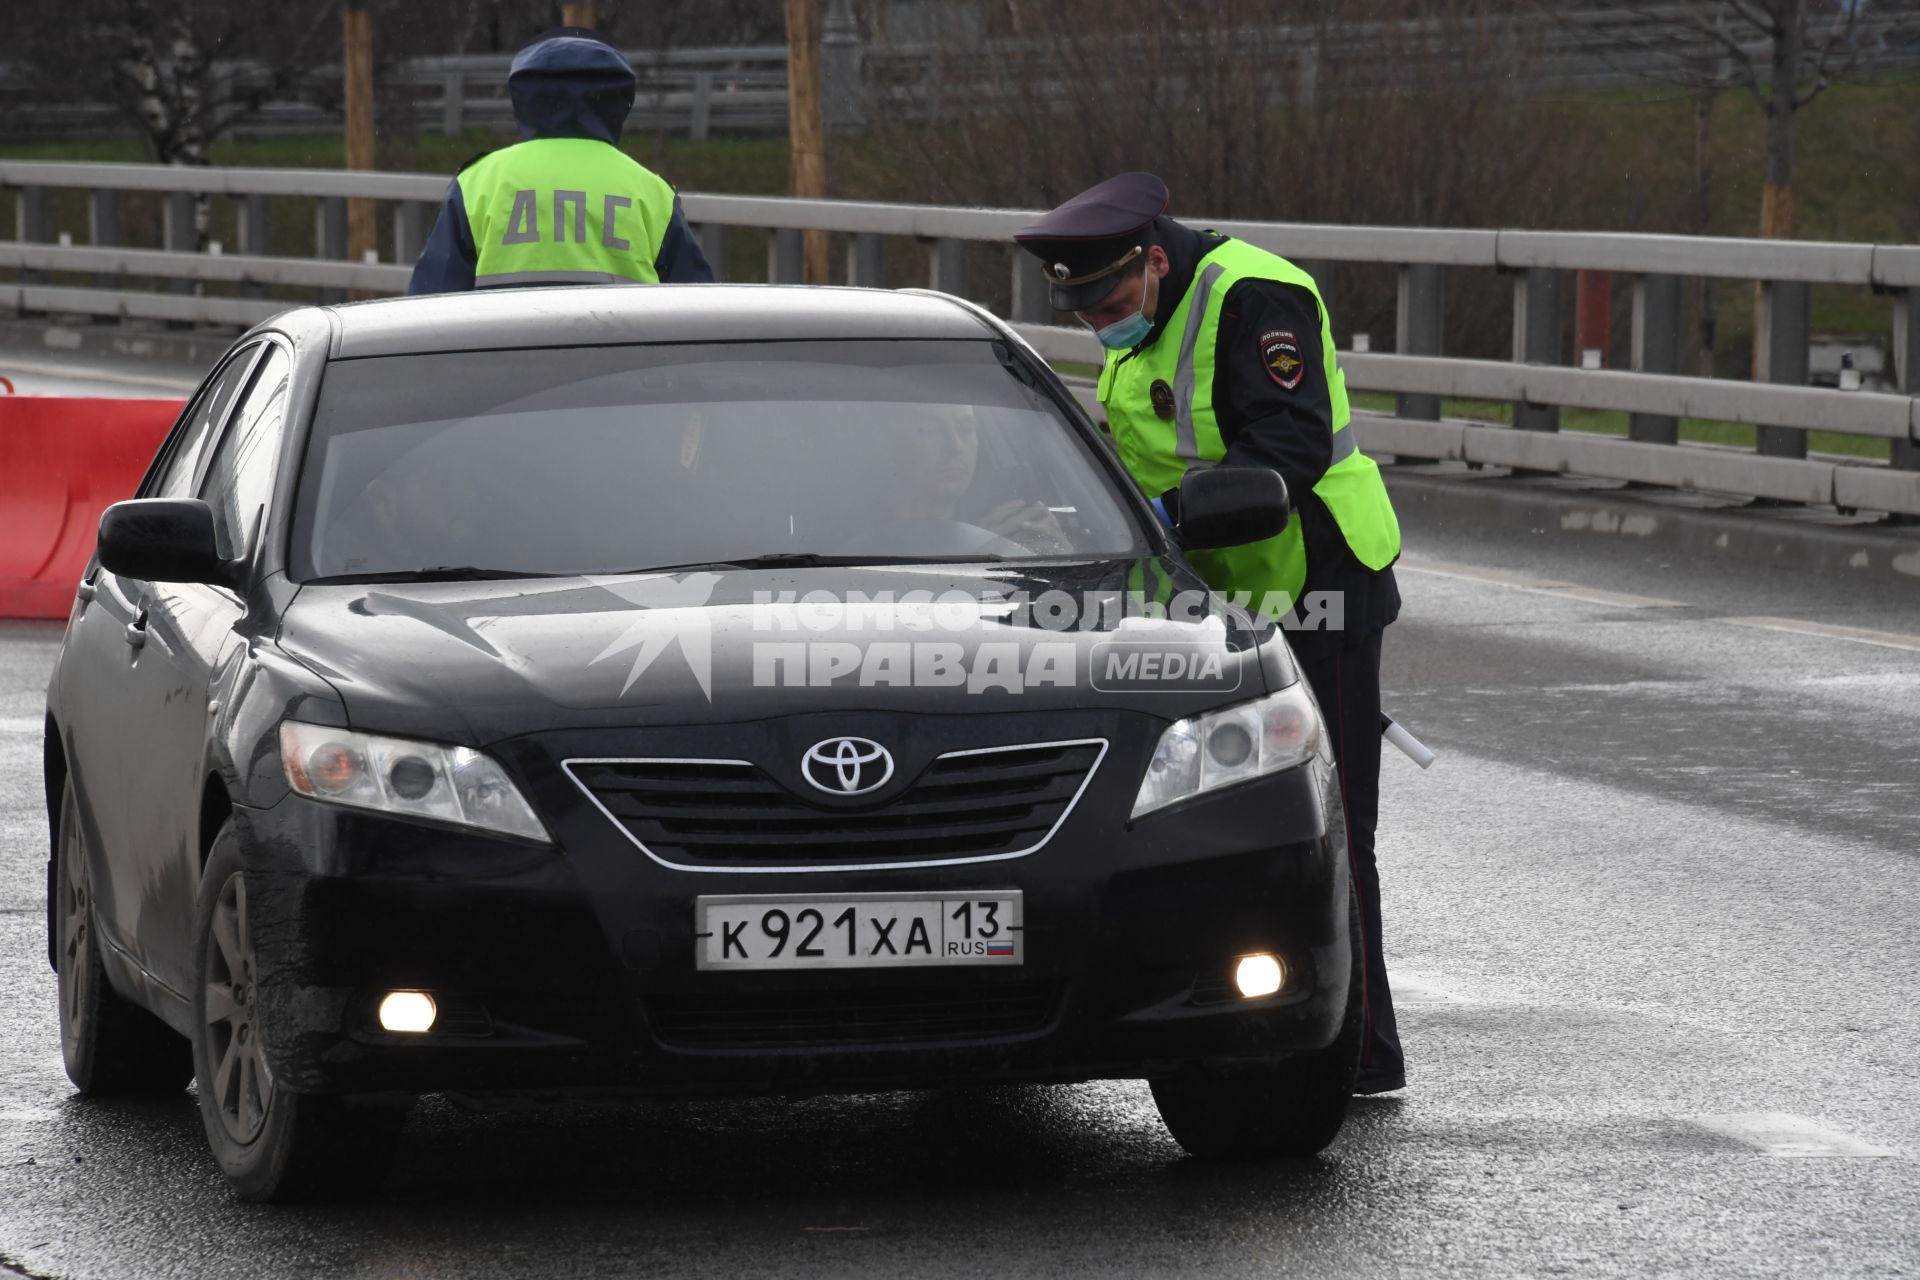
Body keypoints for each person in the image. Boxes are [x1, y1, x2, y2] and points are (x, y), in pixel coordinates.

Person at [1014, 173, 1407, 1095]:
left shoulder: (1253, 295)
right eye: (1081, 310)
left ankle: (1361, 1050)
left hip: (1322, 585)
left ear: (1153, 261)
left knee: (1332, 819)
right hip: (1217, 600)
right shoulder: (1143, 313)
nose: (1098, 322)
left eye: (1109, 301)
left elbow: (1288, 447)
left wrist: (1164, 515)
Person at [408, 27, 713, 294]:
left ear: (524, 96)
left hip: (502, 358)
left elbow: (429, 306)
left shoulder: (478, 184)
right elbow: (696, 313)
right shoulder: (651, 193)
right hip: (623, 360)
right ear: (619, 100)